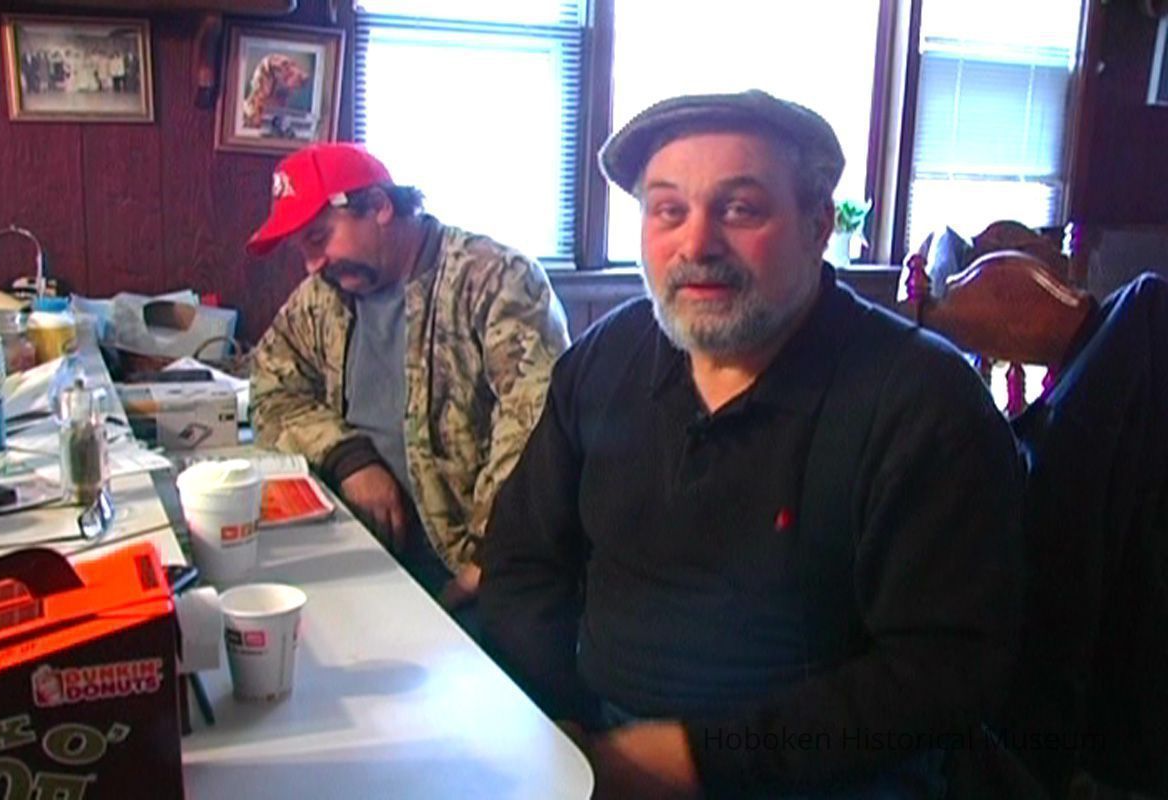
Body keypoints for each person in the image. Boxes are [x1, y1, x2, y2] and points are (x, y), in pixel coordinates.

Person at [479, 90, 1025, 798]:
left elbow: (944, 669)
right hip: (593, 741)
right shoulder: (606, 357)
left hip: (823, 778)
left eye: (740, 210)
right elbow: (522, 562)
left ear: (817, 226)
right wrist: (561, 725)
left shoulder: (924, 402)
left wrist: (700, 761)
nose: (696, 244)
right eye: (668, 210)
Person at [248, 142, 570, 622]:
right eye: (303, 249)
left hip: (477, 566)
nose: (312, 264)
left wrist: (489, 556)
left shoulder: (496, 279)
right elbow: (270, 391)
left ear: (379, 206)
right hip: (355, 543)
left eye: (319, 238)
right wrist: (349, 458)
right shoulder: (322, 297)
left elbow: (538, 425)